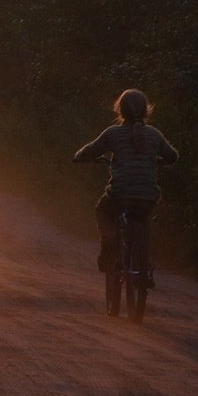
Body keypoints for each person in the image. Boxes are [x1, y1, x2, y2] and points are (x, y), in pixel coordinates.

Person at [72, 88, 179, 282]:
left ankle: (110, 241)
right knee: (144, 216)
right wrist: (158, 160)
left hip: (120, 193)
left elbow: (91, 150)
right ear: (146, 110)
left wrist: (78, 157)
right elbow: (172, 156)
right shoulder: (154, 135)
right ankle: (145, 265)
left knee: (103, 210)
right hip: (148, 193)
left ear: (120, 110)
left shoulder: (113, 133)